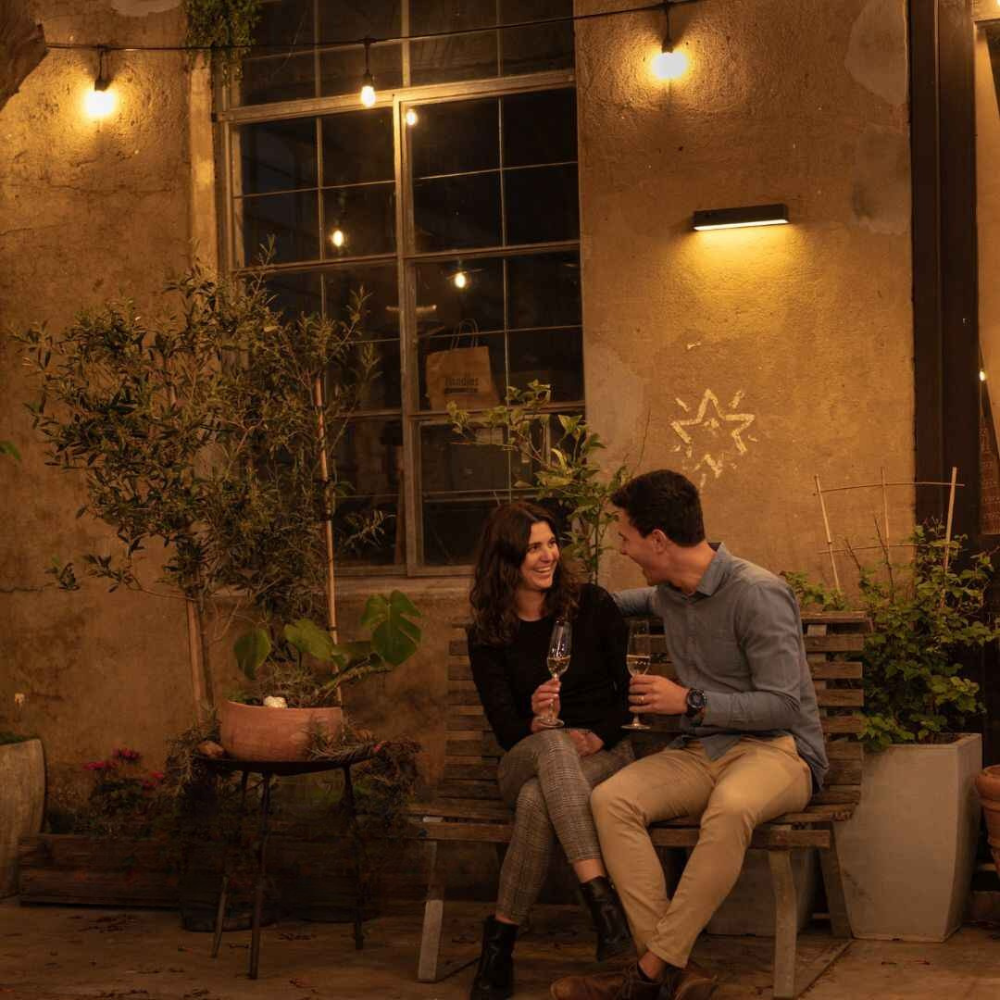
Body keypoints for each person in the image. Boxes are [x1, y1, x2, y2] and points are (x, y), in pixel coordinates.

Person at [551, 470, 828, 1000]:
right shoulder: (669, 594)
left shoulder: (758, 594)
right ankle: (672, 969)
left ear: (658, 539)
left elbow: (783, 703)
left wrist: (690, 702)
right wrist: (543, 598)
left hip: (779, 751)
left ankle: (647, 972)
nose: (622, 548)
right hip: (703, 750)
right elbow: (606, 603)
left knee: (730, 807)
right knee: (611, 800)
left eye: (626, 537)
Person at [467, 501, 636, 1000]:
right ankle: (602, 904)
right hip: (525, 754)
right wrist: (536, 719)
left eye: (552, 544)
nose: (548, 556)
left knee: (537, 801)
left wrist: (598, 735)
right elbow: (506, 731)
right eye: (533, 548)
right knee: (551, 747)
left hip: (604, 752)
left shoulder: (591, 606)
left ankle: (499, 947)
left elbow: (628, 694)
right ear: (506, 560)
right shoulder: (488, 633)